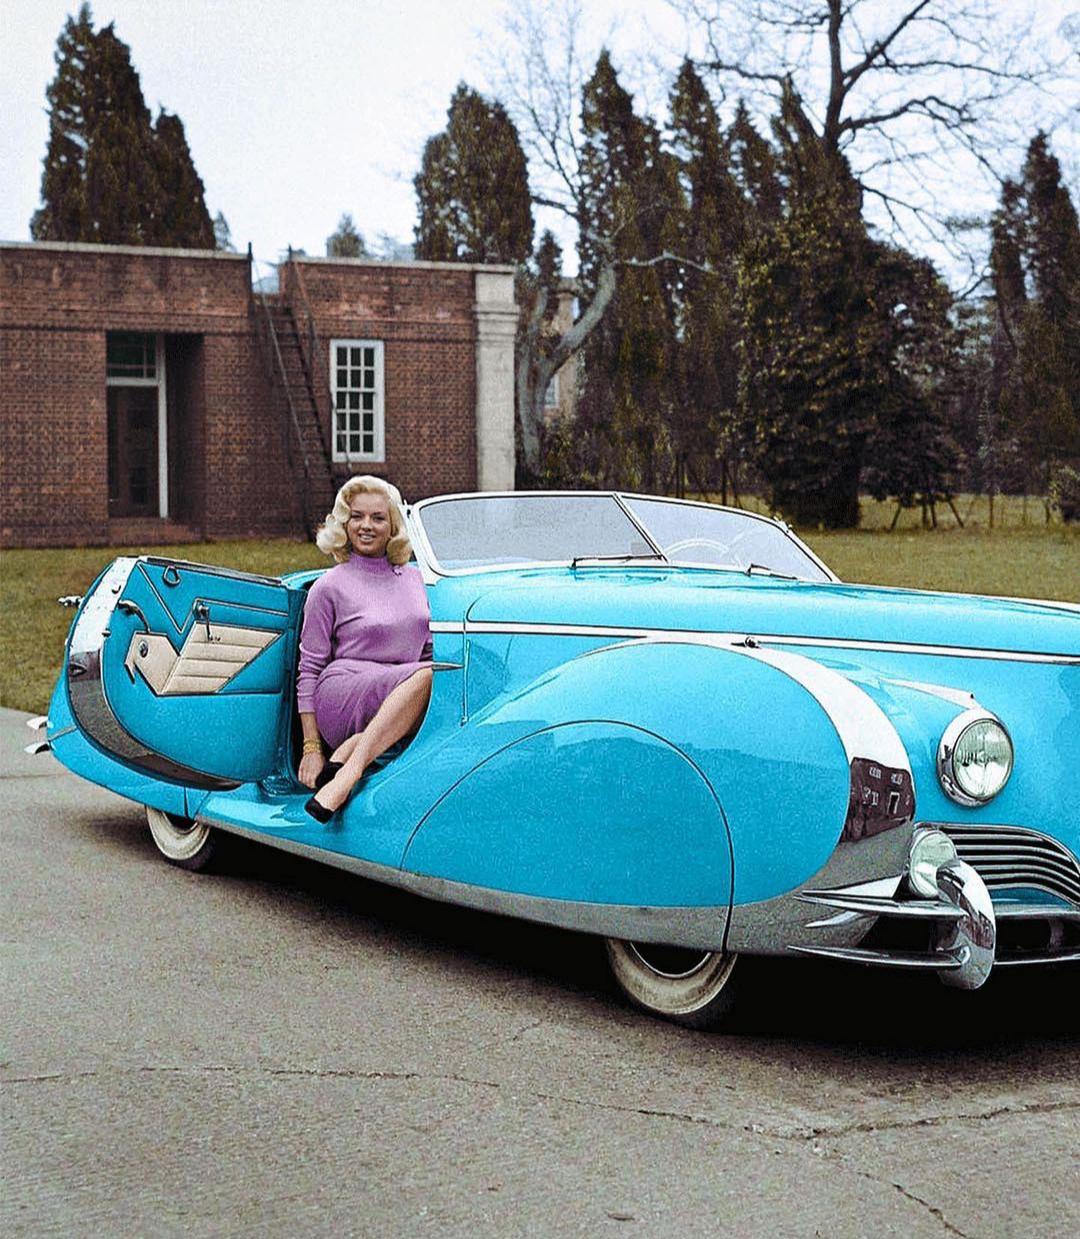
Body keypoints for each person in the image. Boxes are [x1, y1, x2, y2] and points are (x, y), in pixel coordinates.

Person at [296, 475, 433, 822]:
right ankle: (349, 773)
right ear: (344, 523)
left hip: (404, 693)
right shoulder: (328, 587)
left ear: (393, 526)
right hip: (344, 693)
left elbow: (428, 649)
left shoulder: (417, 579)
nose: (366, 526)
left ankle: (355, 747)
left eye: (377, 517)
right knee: (430, 676)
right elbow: (309, 670)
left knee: (441, 678)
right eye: (356, 517)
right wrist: (311, 747)